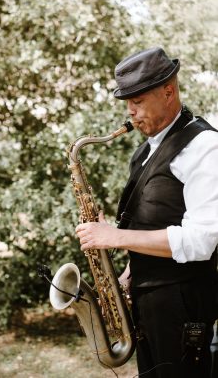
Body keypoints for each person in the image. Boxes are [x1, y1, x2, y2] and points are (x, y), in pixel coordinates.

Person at [75, 46, 218, 378]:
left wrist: (114, 236)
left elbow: (202, 240)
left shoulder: (204, 147)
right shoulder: (143, 152)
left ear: (168, 92)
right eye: (128, 103)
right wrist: (127, 273)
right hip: (150, 305)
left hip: (183, 308)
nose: (131, 113)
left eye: (138, 102)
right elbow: (157, 220)